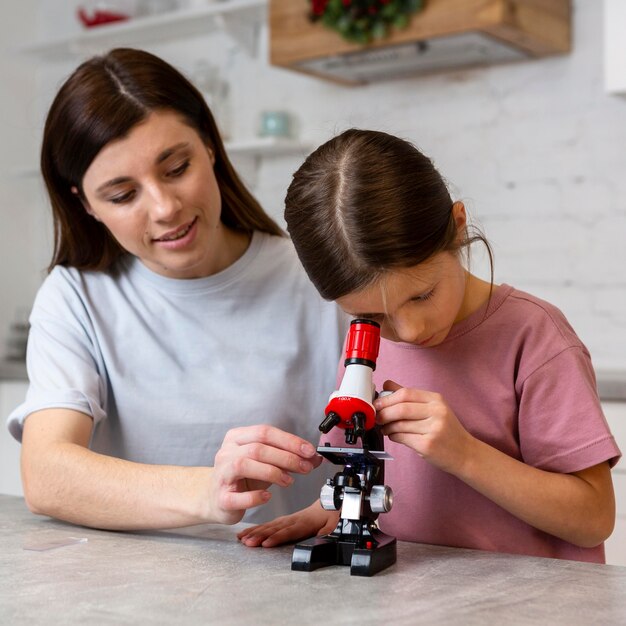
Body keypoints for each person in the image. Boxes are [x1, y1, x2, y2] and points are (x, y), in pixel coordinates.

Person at [238, 128, 622, 563]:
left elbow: (594, 519)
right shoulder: (364, 344)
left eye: (421, 295)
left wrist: (465, 455)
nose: (412, 330)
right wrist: (326, 511)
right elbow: (377, 470)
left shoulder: (535, 338)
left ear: (458, 228)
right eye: (375, 316)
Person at [6, 48, 347, 530]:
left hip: (299, 586)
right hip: (130, 596)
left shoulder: (317, 277)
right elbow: (46, 474)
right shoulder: (76, 297)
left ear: (209, 146)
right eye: (123, 195)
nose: (165, 207)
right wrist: (209, 492)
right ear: (84, 204)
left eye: (176, 168)